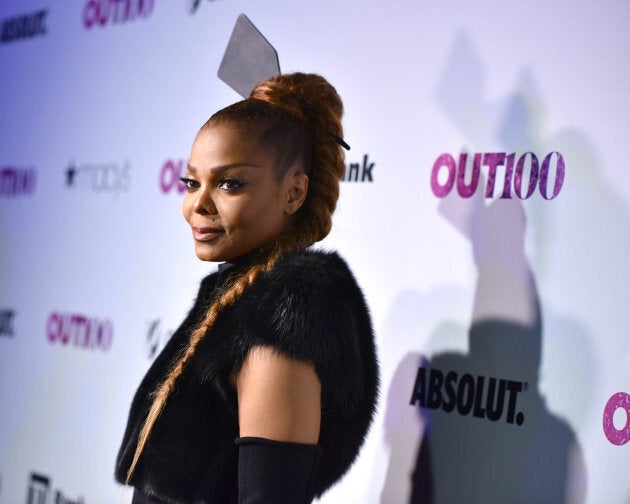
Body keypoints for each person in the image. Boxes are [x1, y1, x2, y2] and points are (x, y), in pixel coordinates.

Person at [114, 72, 379, 503]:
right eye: (191, 182)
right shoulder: (238, 298)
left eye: (229, 183)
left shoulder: (285, 312)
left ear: (294, 193)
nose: (198, 204)